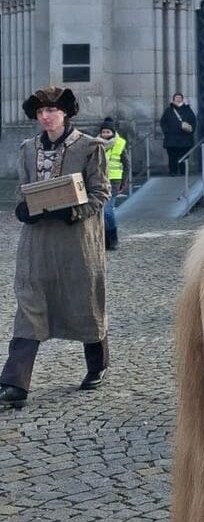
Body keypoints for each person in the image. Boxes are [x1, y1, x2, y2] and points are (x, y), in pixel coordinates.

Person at [0, 87, 110, 410]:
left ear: (65, 113)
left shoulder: (90, 148)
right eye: (40, 112)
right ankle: (15, 382)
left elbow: (100, 193)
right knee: (29, 303)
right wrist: (22, 208)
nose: (45, 116)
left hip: (76, 242)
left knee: (86, 299)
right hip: (37, 242)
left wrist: (73, 211)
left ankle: (97, 364)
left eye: (51, 110)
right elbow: (23, 190)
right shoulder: (27, 148)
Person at [96, 117, 126, 251]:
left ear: (113, 132)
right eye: (104, 132)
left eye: (108, 132)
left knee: (107, 211)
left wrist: (124, 183)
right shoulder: (95, 144)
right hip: (98, 181)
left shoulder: (120, 144)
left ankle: (113, 239)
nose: (106, 135)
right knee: (100, 211)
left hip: (114, 182)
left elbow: (127, 164)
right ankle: (105, 240)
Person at [160, 92, 197, 175]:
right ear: (173, 99)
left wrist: (191, 131)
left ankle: (183, 172)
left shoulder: (188, 110)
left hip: (185, 138)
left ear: (182, 99)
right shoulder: (168, 111)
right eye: (176, 97)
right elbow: (163, 122)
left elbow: (193, 122)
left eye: (180, 97)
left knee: (184, 156)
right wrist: (167, 132)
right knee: (172, 157)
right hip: (171, 138)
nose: (178, 99)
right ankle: (173, 171)